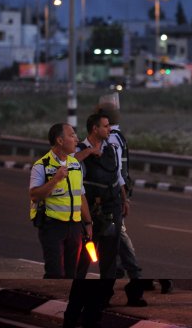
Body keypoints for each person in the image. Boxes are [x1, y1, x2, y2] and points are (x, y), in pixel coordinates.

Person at [96, 102, 150, 306]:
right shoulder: (116, 137)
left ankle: (128, 284)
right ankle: (128, 282)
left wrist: (122, 197)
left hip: (111, 200)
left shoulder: (110, 140)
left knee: (117, 240)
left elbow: (116, 172)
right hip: (112, 198)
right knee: (114, 242)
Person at [29, 123, 93, 279]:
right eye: (72, 135)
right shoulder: (41, 166)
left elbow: (80, 195)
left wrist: (88, 223)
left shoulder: (75, 164)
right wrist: (55, 180)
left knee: (72, 274)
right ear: (60, 140)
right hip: (52, 226)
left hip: (74, 227)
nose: (76, 139)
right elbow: (34, 195)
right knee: (55, 273)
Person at [74, 112, 130, 279]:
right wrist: (90, 152)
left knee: (110, 257)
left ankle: (104, 297)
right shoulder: (79, 150)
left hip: (112, 209)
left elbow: (117, 175)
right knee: (84, 256)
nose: (109, 129)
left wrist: (124, 199)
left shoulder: (111, 148)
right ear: (94, 128)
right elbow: (70, 163)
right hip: (91, 211)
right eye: (105, 126)